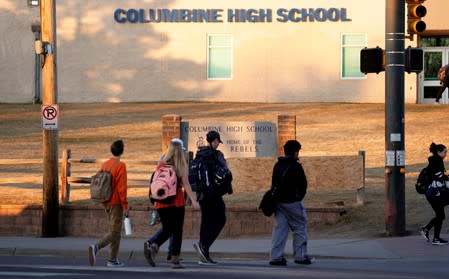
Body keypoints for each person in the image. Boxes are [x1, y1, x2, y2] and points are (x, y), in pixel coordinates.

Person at [144, 138, 200, 269]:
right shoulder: (181, 164)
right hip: (176, 202)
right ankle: (174, 259)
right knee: (177, 230)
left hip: (161, 201)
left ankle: (153, 246)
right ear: (180, 151)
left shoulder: (161, 163)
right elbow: (186, 184)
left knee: (168, 228)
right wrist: (194, 200)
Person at [269, 140, 312, 266]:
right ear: (295, 152)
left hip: (278, 202)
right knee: (300, 227)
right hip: (292, 202)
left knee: (280, 229)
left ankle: (275, 257)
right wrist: (298, 198)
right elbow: (303, 185)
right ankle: (300, 256)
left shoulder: (277, 165)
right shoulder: (296, 166)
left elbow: (273, 184)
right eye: (298, 151)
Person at [88, 139, 129, 267]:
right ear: (122, 151)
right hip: (116, 202)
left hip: (105, 200)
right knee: (115, 232)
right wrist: (125, 206)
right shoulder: (120, 166)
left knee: (114, 231)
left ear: (111, 150)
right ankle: (96, 247)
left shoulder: (105, 164)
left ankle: (112, 259)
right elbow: (122, 188)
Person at [193, 130, 231, 265]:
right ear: (214, 141)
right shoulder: (217, 155)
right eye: (217, 142)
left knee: (206, 222)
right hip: (214, 194)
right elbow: (225, 171)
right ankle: (204, 245)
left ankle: (204, 254)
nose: (218, 144)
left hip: (202, 195)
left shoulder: (199, 154)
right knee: (221, 219)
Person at [421, 142, 449, 245]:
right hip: (434, 193)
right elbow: (439, 176)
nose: (446, 154)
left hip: (433, 194)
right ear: (439, 152)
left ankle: (431, 234)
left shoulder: (435, 160)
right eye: (445, 152)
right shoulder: (437, 161)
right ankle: (432, 235)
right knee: (440, 215)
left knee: (440, 215)